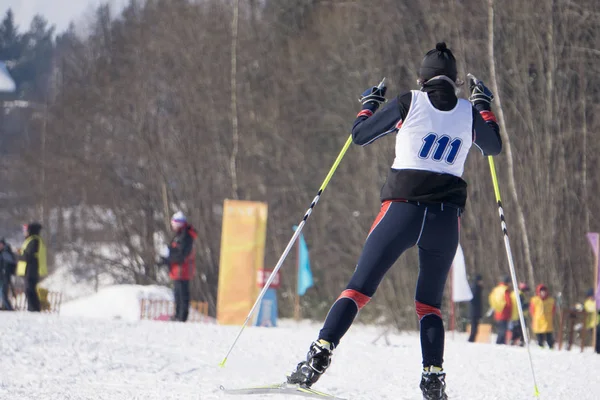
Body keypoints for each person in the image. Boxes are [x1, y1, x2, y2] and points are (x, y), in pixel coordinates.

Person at [286, 42, 502, 400]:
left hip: (402, 210)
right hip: (444, 219)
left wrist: (368, 106)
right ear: (456, 81)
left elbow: (360, 136)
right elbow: (492, 147)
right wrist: (483, 106)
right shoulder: (467, 112)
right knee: (429, 304)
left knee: (358, 289)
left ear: (423, 78)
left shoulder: (409, 101)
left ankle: (317, 358)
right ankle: (433, 378)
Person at [162, 212, 197, 322]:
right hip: (177, 270)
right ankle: (177, 314)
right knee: (177, 293)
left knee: (183, 293)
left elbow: (182, 255)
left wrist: (169, 258)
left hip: (183, 270)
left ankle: (182, 316)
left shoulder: (186, 236)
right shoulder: (179, 235)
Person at [16, 223, 47, 312]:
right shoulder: (31, 240)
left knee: (30, 290)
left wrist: (19, 255)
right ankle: (33, 308)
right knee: (29, 289)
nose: (24, 232)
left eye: (26, 230)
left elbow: (28, 256)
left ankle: (34, 309)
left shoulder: (34, 240)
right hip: (30, 269)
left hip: (32, 268)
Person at [529, 284, 556, 348]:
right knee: (539, 335)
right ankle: (541, 347)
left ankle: (551, 347)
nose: (543, 293)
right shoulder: (534, 300)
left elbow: (553, 310)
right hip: (538, 320)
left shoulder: (551, 300)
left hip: (547, 320)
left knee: (549, 335)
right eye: (541, 291)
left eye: (544, 291)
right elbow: (532, 310)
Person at [488, 276, 512, 345]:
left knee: (500, 329)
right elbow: (508, 302)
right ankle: (499, 343)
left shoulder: (496, 289)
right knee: (503, 330)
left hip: (497, 312)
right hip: (504, 313)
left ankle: (500, 343)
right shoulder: (505, 290)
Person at [0, 238, 17, 310]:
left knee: (3, 294)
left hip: (4, 276)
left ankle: (9, 308)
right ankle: (6, 307)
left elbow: (11, 263)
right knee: (2, 294)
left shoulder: (5, 253)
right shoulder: (3, 252)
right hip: (2, 276)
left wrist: (5, 272)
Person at [468, 274, 484, 343]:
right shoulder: (475, 288)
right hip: (474, 311)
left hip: (475, 310)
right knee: (474, 327)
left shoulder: (476, 287)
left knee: (475, 327)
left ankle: (472, 339)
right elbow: (474, 299)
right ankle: (471, 340)